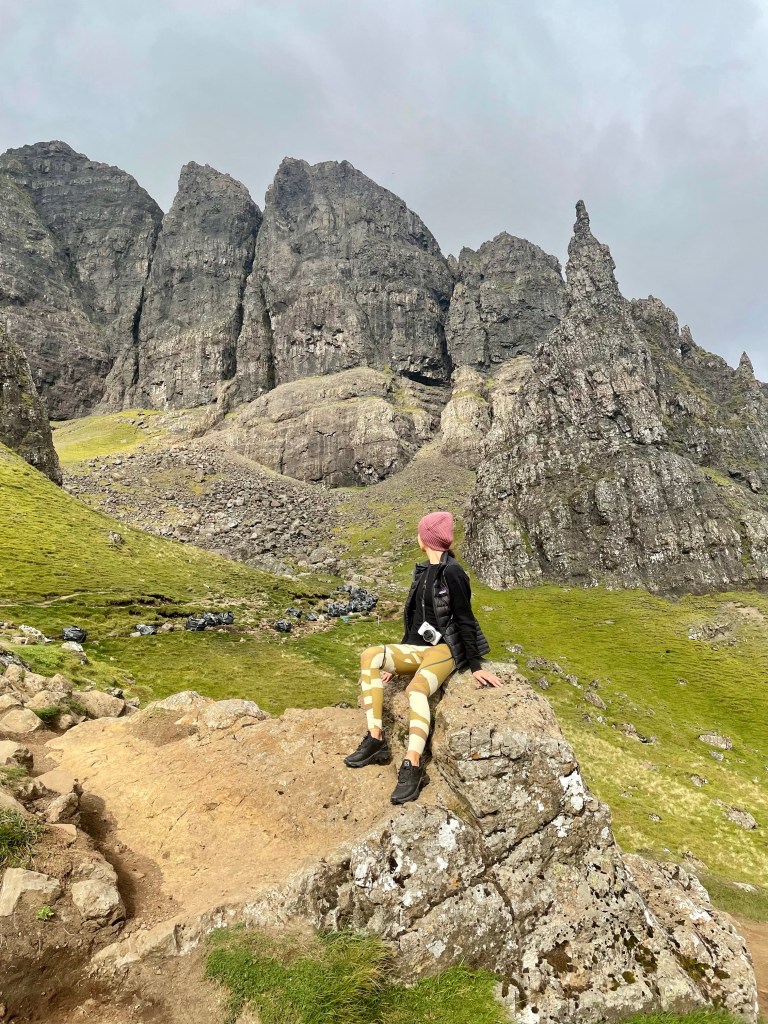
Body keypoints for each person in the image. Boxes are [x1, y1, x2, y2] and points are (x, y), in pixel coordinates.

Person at [344, 510, 503, 805]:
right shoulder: (423, 571)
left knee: (415, 690)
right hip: (421, 647)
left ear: (425, 538)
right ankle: (376, 738)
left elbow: (466, 619)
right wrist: (398, 660)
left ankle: (413, 764)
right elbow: (417, 620)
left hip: (446, 651)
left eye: (419, 532)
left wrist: (475, 665)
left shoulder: (453, 572)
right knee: (371, 656)